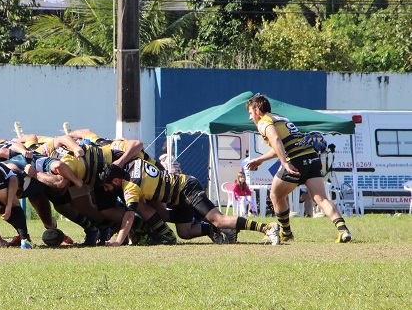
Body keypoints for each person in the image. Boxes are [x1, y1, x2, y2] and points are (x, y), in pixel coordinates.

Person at [244, 94, 351, 243]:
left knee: (275, 195)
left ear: (257, 110)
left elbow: (275, 140)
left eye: (250, 113)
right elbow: (280, 146)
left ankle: (286, 233)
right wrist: (261, 159)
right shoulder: (280, 118)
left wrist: (285, 163)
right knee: (321, 198)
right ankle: (343, 229)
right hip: (312, 157)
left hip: (296, 161)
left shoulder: (263, 121)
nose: (250, 118)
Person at [97, 160, 281, 246]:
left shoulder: (130, 187)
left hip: (186, 188)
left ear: (115, 181)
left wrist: (118, 240)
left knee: (219, 219)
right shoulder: (134, 163)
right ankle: (216, 230)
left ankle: (267, 228)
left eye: (106, 186)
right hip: (178, 197)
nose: (106, 190)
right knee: (184, 232)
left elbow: (129, 215)